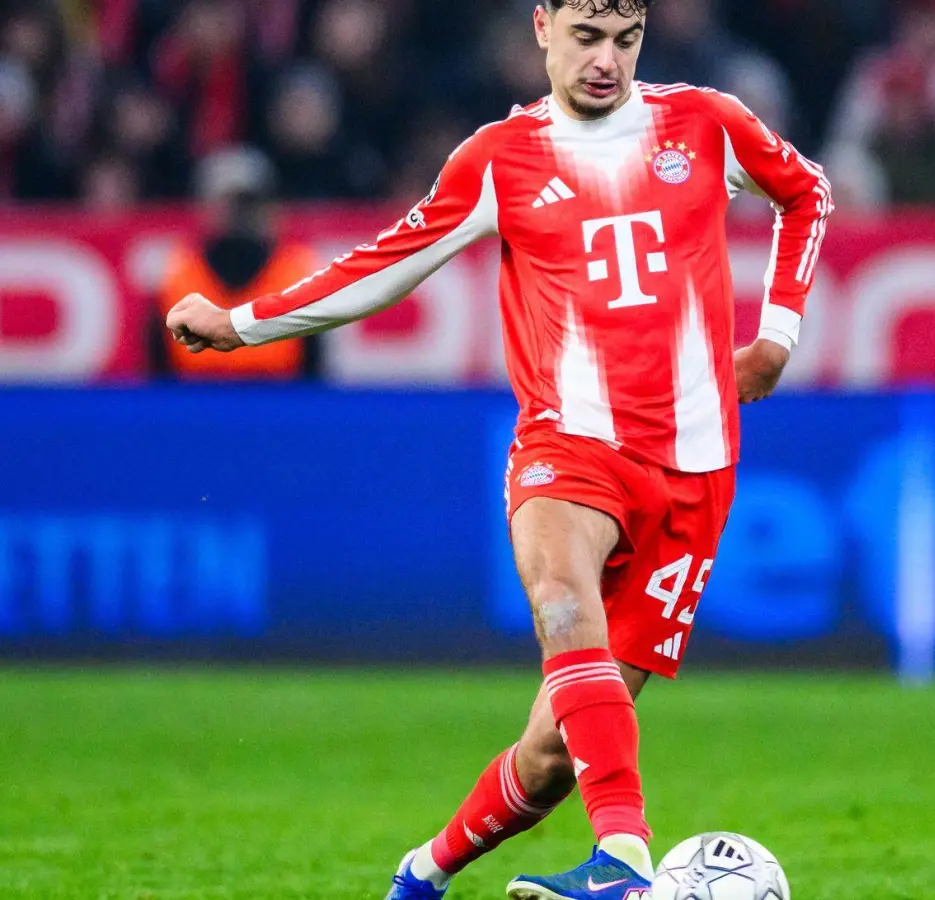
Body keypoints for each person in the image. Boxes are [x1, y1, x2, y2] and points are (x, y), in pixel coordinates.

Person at [163, 2, 831, 899]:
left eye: (625, 41)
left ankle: (422, 873)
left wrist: (778, 335)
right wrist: (240, 324)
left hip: (696, 471)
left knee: (556, 750)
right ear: (543, 27)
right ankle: (625, 859)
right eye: (587, 38)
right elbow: (383, 264)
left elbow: (807, 191)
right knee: (561, 594)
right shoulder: (498, 159)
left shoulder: (704, 123)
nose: (607, 62)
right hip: (570, 445)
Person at [154, 147, 318, 379]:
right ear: (204, 208)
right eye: (229, 203)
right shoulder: (177, 278)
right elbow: (156, 385)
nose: (240, 215)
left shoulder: (297, 274)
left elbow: (316, 385)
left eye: (249, 203)